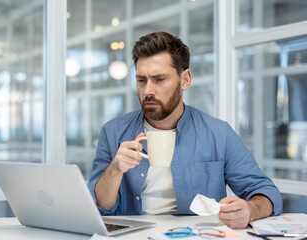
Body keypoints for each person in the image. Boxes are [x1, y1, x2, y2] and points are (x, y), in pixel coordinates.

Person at [87, 31, 282, 229]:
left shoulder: (218, 133)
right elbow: (99, 206)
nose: (148, 91)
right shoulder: (112, 132)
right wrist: (115, 170)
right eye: (141, 80)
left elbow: (267, 193)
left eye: (159, 79)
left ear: (185, 80)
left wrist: (249, 210)